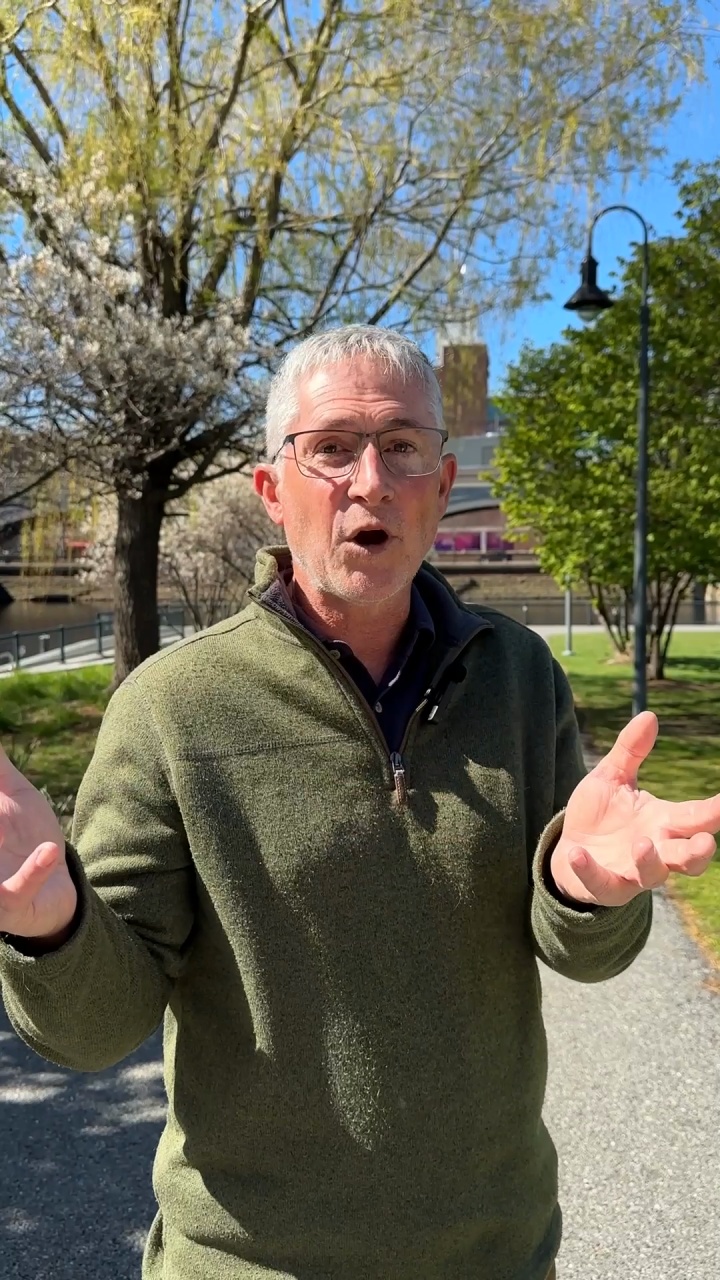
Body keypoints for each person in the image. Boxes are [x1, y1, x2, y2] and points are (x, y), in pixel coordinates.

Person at [0, 326, 718, 1280]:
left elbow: (578, 951)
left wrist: (585, 894)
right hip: (246, 1266)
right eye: (331, 446)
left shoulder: (520, 677)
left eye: (403, 447)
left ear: (442, 481)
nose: (370, 480)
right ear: (272, 487)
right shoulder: (172, 708)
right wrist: (51, 925)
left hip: (496, 1254)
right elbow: (94, 1029)